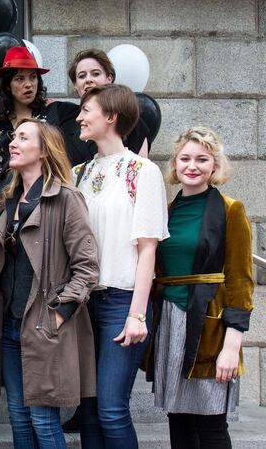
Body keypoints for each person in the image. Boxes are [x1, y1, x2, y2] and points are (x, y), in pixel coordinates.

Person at [0, 118, 98, 449]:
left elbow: (87, 266)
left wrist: (59, 314)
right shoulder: (11, 199)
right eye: (13, 137)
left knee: (43, 420)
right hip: (10, 325)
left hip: (44, 324)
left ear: (44, 150)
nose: (12, 143)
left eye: (22, 138)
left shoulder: (65, 198)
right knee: (18, 416)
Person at [72, 84, 169, 449]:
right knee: (89, 408)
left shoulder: (142, 171)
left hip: (120, 302)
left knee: (112, 408)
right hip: (82, 303)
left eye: (86, 110)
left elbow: (148, 249)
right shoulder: (78, 172)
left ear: (111, 117)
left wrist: (138, 314)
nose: (79, 117)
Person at [146, 127, 253, 449]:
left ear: (215, 166)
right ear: (175, 165)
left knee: (210, 424)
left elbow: (240, 280)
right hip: (170, 321)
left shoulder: (231, 210)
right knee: (178, 422)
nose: (192, 166)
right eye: (185, 158)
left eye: (202, 159)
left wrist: (232, 346)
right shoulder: (165, 211)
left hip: (210, 327)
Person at [0, 46, 79, 200]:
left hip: (42, 201)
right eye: (20, 79)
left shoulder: (55, 112)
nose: (28, 84)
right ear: (7, 85)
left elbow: (91, 109)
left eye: (32, 77)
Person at [63, 49, 151, 164]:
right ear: (75, 84)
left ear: (109, 79)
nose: (88, 79)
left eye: (96, 74)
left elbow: (141, 170)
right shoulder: (66, 125)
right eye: (82, 76)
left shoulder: (131, 122)